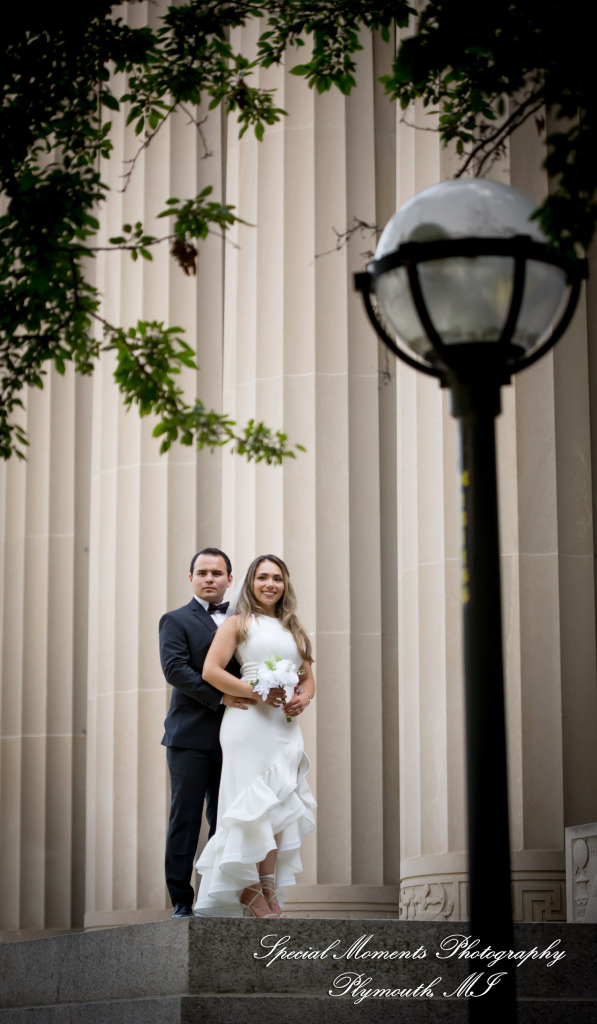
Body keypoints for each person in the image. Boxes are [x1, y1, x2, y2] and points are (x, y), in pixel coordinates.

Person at [194, 554, 316, 918]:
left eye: (277, 578)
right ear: (250, 582)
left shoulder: (294, 628)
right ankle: (246, 887)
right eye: (263, 577)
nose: (270, 585)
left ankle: (268, 885)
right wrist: (254, 691)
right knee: (252, 804)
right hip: (248, 724)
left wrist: (303, 698)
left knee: (277, 806)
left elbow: (308, 677)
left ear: (285, 584)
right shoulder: (237, 623)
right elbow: (210, 671)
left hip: (283, 727)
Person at [159, 547, 257, 918]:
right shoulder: (174, 619)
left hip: (238, 734)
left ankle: (215, 897)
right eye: (202, 573)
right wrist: (222, 697)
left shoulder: (244, 621)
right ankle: (182, 900)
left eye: (217, 573)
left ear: (230, 579)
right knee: (185, 818)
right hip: (190, 736)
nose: (210, 579)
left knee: (227, 816)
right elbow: (175, 670)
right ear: (191, 579)